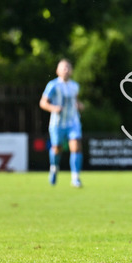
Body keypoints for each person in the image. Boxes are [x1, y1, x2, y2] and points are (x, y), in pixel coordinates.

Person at [39, 59, 85, 188]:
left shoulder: (75, 86)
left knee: (76, 146)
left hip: (73, 122)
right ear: (57, 71)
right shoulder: (53, 85)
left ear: (71, 70)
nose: (66, 70)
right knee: (57, 148)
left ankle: (75, 178)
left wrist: (80, 106)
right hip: (57, 123)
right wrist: (54, 108)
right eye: (63, 68)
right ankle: (54, 168)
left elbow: (76, 101)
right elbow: (43, 103)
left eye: (68, 67)